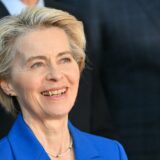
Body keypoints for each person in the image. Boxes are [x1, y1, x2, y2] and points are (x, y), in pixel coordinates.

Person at [0, 7, 127, 160]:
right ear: (7, 83)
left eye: (64, 59)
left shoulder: (112, 152)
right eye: (37, 64)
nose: (56, 75)